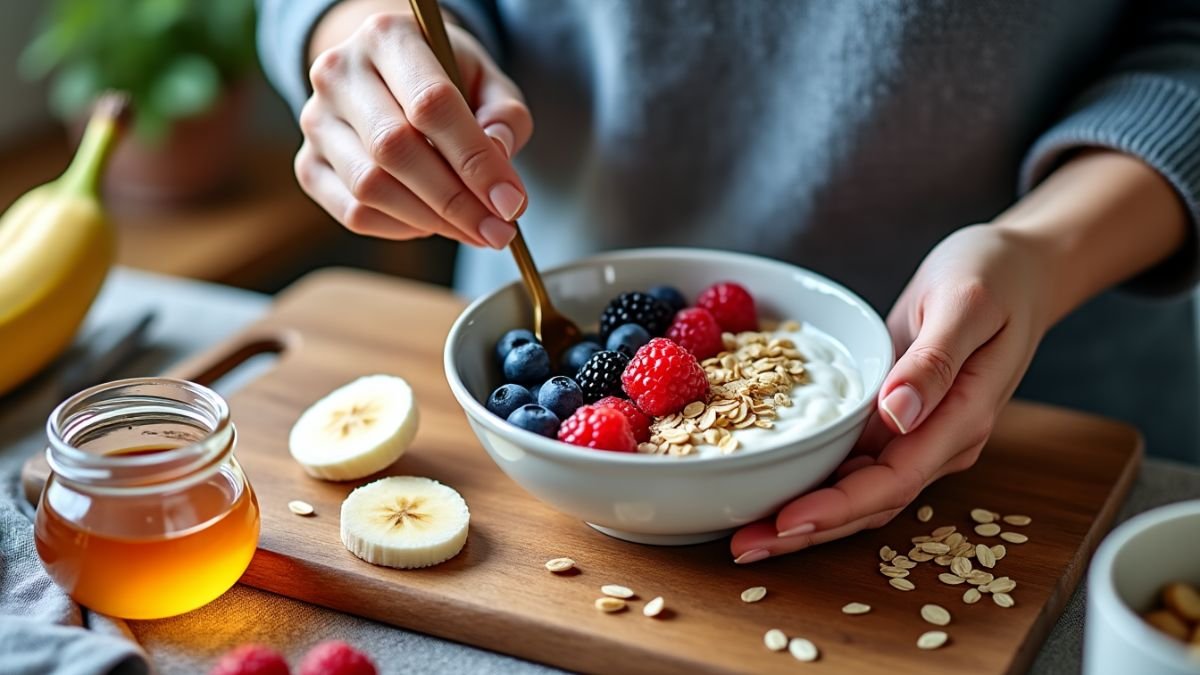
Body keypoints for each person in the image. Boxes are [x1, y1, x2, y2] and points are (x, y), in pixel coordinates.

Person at [257, 0, 1200, 563]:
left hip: (1049, 403)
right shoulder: (557, 380)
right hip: (531, 255)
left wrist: (1041, 253)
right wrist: (359, 37)